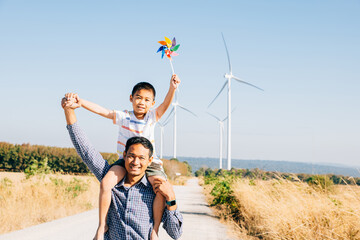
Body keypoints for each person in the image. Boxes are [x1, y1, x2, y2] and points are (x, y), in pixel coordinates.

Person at [64, 75, 180, 240]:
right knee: (106, 182)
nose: (142, 102)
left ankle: (154, 230)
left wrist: (172, 88)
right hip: (122, 162)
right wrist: (80, 103)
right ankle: (102, 224)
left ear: (152, 103)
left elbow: (165, 105)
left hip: (152, 164)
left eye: (147, 100)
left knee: (160, 189)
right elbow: (102, 111)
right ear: (131, 98)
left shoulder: (152, 117)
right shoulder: (124, 116)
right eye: (138, 98)